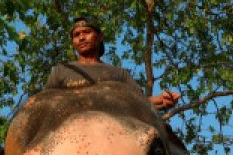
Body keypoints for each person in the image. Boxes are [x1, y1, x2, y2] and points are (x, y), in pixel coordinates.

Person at [45, 17, 180, 111]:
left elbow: (139, 104)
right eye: (76, 35)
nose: (81, 37)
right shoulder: (60, 71)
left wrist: (162, 100)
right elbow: (44, 106)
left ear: (100, 37)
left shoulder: (119, 74)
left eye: (86, 32)